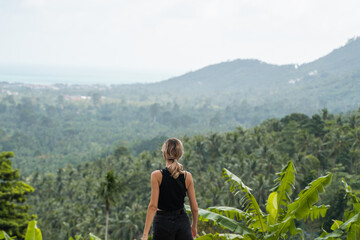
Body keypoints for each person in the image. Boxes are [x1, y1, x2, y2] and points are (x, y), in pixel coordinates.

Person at [142, 138, 198, 240]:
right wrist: (194, 226)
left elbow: (153, 206)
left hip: (163, 223)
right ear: (180, 155)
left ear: (164, 154)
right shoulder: (187, 176)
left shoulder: (157, 175)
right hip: (182, 222)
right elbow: (194, 207)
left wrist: (145, 234)